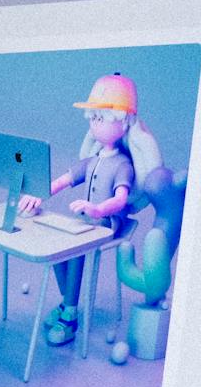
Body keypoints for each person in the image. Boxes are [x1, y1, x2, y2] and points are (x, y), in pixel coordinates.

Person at [17, 73, 162, 347]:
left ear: (123, 121)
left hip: (105, 224)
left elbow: (121, 199)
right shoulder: (92, 159)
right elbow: (63, 180)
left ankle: (70, 316)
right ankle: (67, 302)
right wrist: (39, 194)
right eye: (93, 118)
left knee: (75, 251)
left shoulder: (123, 165)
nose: (95, 124)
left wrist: (97, 209)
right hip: (85, 223)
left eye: (102, 118)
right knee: (55, 249)